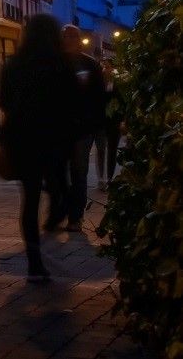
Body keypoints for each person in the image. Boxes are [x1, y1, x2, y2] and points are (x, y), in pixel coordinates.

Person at [1, 14, 79, 281]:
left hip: (23, 140)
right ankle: (58, 216)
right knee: (60, 186)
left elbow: (6, 101)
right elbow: (71, 103)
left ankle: (34, 262)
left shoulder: (14, 66)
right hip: (54, 139)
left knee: (30, 200)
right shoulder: (61, 65)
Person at [61, 25, 106, 231]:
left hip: (81, 130)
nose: (68, 39)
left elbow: (99, 97)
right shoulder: (54, 64)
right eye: (65, 36)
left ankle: (75, 217)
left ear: (79, 40)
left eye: (72, 36)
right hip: (59, 129)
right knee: (59, 172)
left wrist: (94, 124)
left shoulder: (90, 65)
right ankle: (61, 211)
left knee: (79, 172)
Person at [102, 59, 122, 186]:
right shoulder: (99, 83)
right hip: (101, 121)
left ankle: (109, 177)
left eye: (108, 67)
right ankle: (102, 178)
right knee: (101, 149)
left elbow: (121, 102)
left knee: (112, 150)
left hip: (114, 121)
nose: (105, 69)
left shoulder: (118, 83)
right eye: (103, 67)